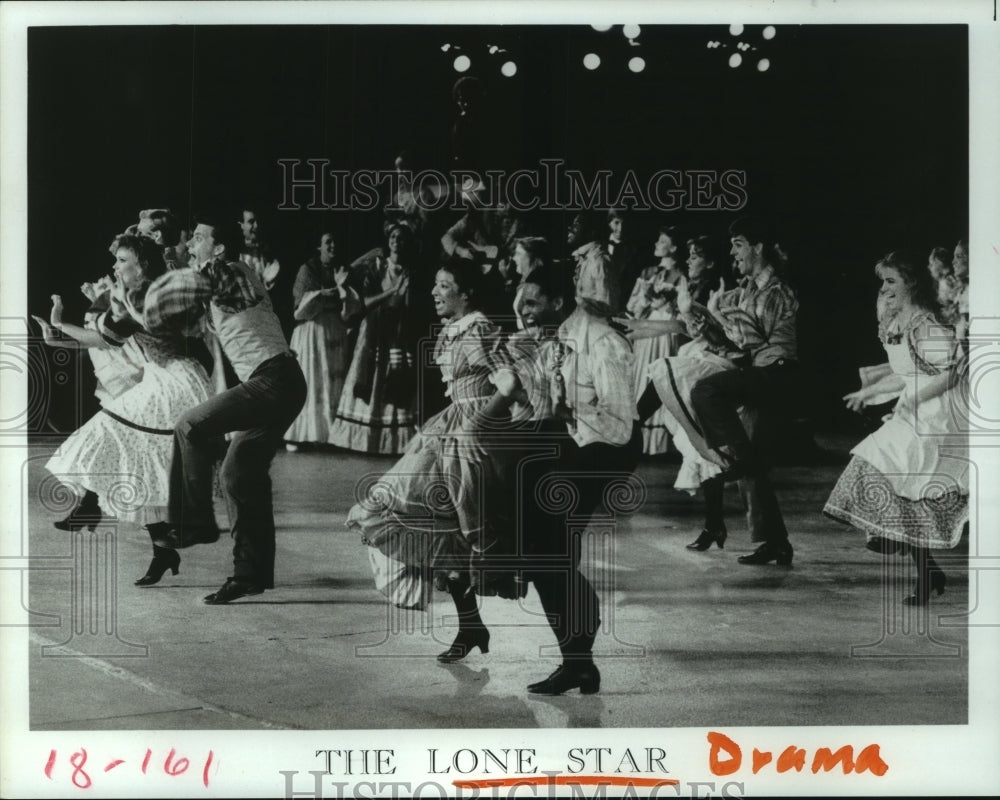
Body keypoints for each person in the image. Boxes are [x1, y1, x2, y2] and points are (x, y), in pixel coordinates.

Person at [346, 258, 521, 661]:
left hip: (472, 435)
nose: (435, 292)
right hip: (450, 427)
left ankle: (476, 626)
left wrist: (475, 424)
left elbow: (510, 383)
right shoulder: (457, 329)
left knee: (445, 526)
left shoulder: (477, 329)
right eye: (436, 285)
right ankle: (471, 625)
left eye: (444, 285)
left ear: (466, 292)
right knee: (432, 527)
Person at [487, 248, 642, 694]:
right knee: (541, 551)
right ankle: (578, 661)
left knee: (548, 550)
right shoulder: (556, 338)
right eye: (519, 307)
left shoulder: (603, 341)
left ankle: (580, 648)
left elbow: (618, 424)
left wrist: (561, 448)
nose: (524, 316)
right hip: (573, 443)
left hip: (604, 451)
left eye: (531, 305)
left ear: (558, 301)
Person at [141, 214, 307, 604]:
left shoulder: (229, 270)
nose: (192, 242)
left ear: (218, 248)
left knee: (191, 426)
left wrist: (164, 276)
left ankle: (195, 525)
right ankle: (250, 574)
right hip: (278, 382)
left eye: (199, 238)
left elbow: (199, 284)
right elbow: (186, 320)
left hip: (274, 380)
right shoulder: (220, 282)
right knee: (239, 474)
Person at [42, 234, 213, 585]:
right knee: (136, 453)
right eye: (117, 260)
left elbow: (107, 335)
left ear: (142, 266)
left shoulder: (152, 295)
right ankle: (162, 549)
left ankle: (91, 506)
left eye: (122, 260)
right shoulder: (134, 297)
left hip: (179, 381)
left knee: (112, 433)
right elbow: (106, 338)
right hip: (159, 377)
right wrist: (58, 332)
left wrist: (62, 327)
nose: (115, 267)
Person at [824, 251, 967, 604]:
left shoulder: (926, 325)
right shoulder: (899, 323)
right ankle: (927, 571)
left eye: (892, 282)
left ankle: (904, 551)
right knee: (899, 486)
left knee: (885, 467)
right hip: (917, 410)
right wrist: (869, 391)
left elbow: (951, 373)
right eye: (883, 282)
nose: (884, 290)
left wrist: (915, 399)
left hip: (939, 415)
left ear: (912, 284)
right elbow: (905, 374)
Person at [687, 216, 800, 565]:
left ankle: (738, 459)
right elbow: (737, 347)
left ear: (758, 247)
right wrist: (708, 327)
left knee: (705, 391)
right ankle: (776, 543)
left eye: (739, 244)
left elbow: (750, 339)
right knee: (755, 468)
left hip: (776, 375)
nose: (733, 252)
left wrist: (719, 313)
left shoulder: (775, 290)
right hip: (758, 372)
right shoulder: (748, 290)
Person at [328, 223, 418, 454]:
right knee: (368, 373)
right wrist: (392, 291)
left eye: (402, 238)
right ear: (388, 241)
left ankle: (389, 441)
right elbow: (364, 303)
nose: (397, 241)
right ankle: (362, 440)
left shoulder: (409, 270)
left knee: (393, 377)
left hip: (395, 331)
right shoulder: (377, 265)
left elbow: (407, 308)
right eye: (393, 237)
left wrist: (404, 295)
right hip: (373, 328)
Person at [283, 233, 353, 449]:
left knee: (331, 381)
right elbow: (299, 310)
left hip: (334, 330)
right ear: (318, 246)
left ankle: (329, 435)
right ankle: (299, 434)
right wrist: (323, 294)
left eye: (335, 242)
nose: (332, 246)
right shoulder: (307, 270)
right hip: (312, 331)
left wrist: (343, 290)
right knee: (311, 380)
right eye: (327, 242)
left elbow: (351, 305)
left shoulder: (343, 270)